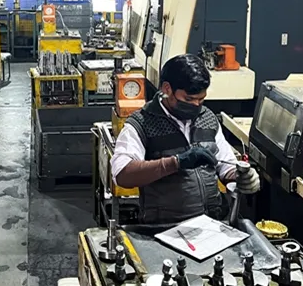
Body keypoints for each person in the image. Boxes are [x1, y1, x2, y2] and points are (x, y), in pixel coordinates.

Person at [111, 53, 260, 224]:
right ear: (167, 89)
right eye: (189, 99)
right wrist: (176, 163)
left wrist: (242, 176)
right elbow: (122, 174)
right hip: (163, 228)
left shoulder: (208, 118)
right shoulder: (142, 124)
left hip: (213, 224)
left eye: (201, 99)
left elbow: (225, 166)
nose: (196, 105)